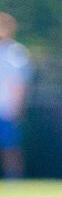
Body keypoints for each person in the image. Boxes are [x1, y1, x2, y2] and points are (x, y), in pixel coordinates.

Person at [0, 13, 31, 180]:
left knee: (10, 147)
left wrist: (17, 108)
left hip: (6, 110)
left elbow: (20, 84)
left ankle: (14, 178)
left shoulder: (15, 53)